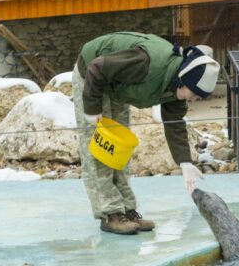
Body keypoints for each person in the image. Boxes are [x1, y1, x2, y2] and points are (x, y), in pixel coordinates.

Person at [72, 31, 220, 234]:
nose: (193, 99)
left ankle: (126, 209)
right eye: (194, 94)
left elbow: (175, 124)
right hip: (92, 77)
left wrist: (185, 163)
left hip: (117, 85)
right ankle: (110, 214)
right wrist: (92, 110)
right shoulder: (146, 63)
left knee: (120, 150)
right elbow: (97, 68)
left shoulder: (177, 88)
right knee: (101, 150)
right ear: (184, 80)